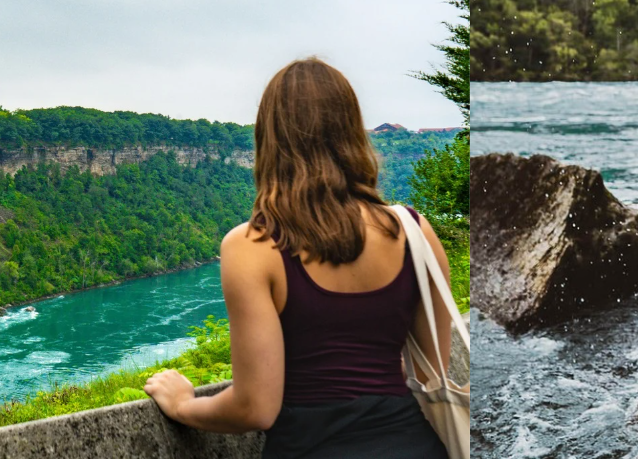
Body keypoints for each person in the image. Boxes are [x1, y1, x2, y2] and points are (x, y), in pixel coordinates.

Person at [142, 58, 451, 459]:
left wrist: (183, 404)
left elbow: (255, 407)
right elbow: (431, 372)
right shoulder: (414, 231)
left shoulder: (252, 247)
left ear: (269, 138)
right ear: (352, 132)